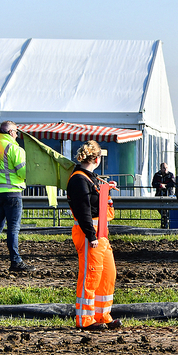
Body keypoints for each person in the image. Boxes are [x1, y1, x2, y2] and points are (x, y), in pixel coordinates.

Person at [67, 140, 121, 331]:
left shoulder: (90, 178)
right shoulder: (79, 179)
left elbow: (94, 203)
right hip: (90, 234)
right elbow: (83, 211)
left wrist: (106, 190)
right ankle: (85, 320)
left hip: (101, 234)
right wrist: (91, 236)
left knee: (107, 274)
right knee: (90, 276)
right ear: (96, 159)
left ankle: (102, 315)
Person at [0, 121, 35, 272]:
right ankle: (15, 262)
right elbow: (23, 172)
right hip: (12, 193)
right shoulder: (14, 148)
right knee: (13, 229)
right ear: (11, 132)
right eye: (16, 132)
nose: (17, 135)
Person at [151, 162, 175, 228]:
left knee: (169, 209)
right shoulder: (157, 175)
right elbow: (153, 184)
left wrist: (166, 185)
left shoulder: (170, 175)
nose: (165, 169)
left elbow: (173, 183)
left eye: (166, 168)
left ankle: (166, 221)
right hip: (159, 195)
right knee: (159, 208)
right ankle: (164, 218)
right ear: (160, 168)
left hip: (169, 194)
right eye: (164, 168)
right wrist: (159, 185)